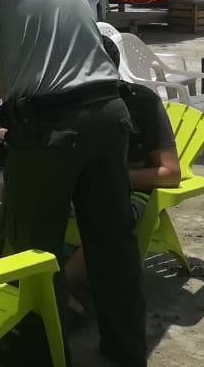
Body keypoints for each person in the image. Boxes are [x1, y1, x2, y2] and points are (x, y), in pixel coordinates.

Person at [0, 0, 146, 366]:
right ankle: (126, 348)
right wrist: (13, 75)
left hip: (53, 131)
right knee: (112, 240)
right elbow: (68, 49)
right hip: (108, 114)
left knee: (33, 250)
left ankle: (39, 355)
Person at [62, 35, 180, 319]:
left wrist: (112, 178)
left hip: (129, 188)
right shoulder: (66, 102)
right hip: (77, 184)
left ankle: (54, 292)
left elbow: (170, 173)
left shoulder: (141, 103)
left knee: (105, 224)